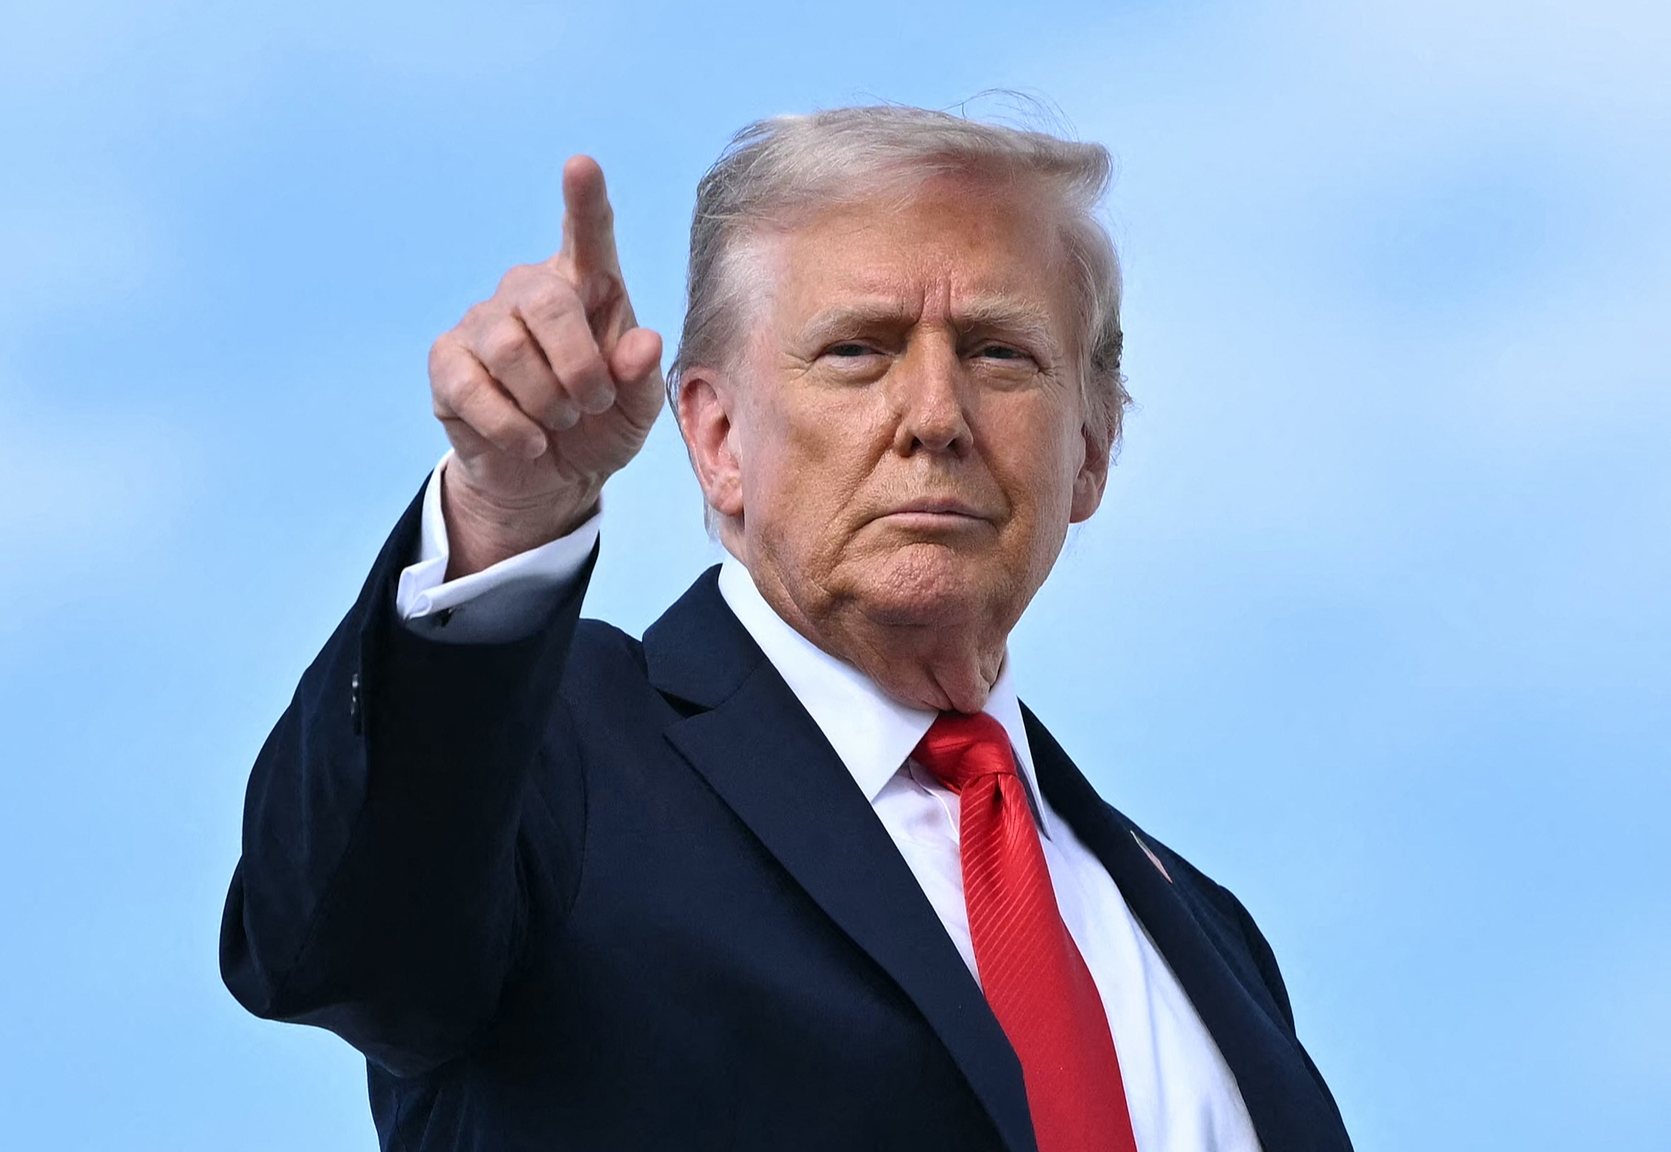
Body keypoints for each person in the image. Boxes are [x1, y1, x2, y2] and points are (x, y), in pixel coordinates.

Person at [220, 105, 1352, 1152]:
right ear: (714, 440)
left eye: (998, 353)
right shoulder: (557, 761)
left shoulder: (1206, 938)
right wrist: (500, 516)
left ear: (1092, 449)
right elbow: (334, 944)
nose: (934, 418)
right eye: (856, 350)